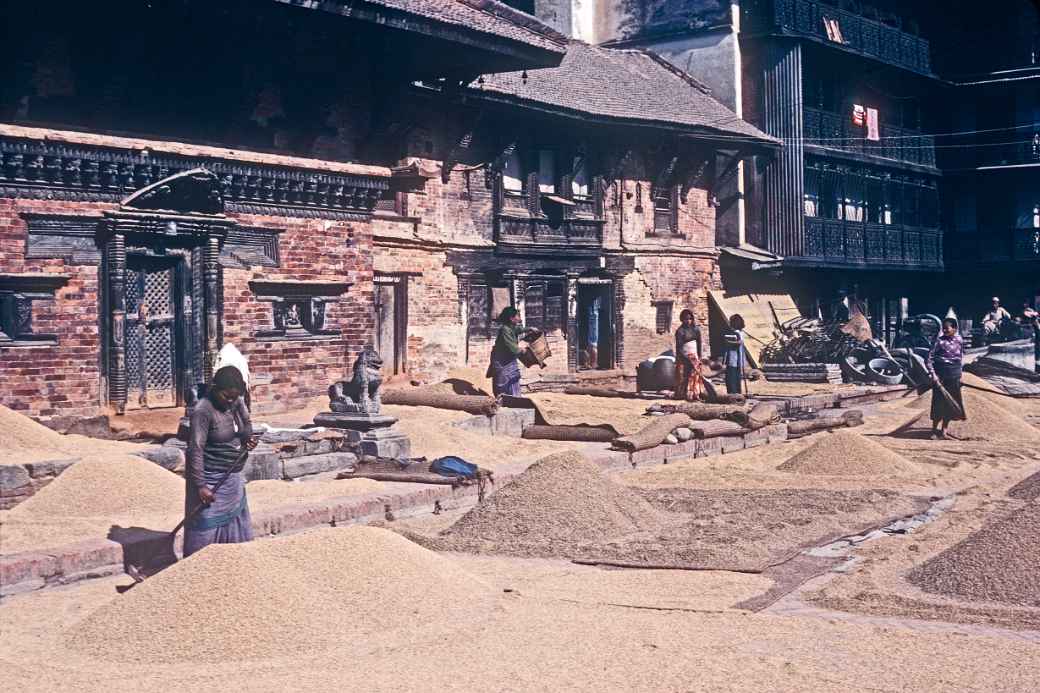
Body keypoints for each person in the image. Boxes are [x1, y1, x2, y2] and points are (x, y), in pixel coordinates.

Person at [184, 366, 259, 557]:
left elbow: (246, 425)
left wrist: (248, 439)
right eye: (226, 396)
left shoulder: (236, 401)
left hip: (232, 478)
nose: (231, 401)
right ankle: (195, 571)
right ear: (215, 388)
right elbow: (195, 449)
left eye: (235, 397)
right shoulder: (203, 410)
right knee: (205, 526)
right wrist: (201, 485)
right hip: (210, 479)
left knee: (236, 525)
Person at [926, 318, 967, 440]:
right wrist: (933, 375)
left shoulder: (959, 340)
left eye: (947, 328)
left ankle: (944, 431)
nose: (944, 330)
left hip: (954, 375)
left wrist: (960, 375)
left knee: (950, 404)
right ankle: (934, 430)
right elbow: (928, 359)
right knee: (938, 402)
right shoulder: (938, 341)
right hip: (940, 375)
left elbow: (960, 357)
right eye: (943, 328)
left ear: (954, 329)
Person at [487, 307, 535, 398]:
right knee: (502, 381)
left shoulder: (511, 327)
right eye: (517, 316)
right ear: (511, 318)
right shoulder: (504, 329)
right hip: (501, 360)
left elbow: (518, 330)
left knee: (514, 378)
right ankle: (501, 399)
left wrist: (529, 329)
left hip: (509, 359)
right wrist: (521, 350)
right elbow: (511, 346)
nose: (519, 318)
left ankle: (516, 398)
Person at [673, 309, 705, 401]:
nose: (688, 321)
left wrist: (699, 357)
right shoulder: (680, 331)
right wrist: (685, 358)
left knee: (695, 376)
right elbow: (679, 347)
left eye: (690, 319)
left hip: (694, 356)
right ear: (682, 319)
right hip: (684, 356)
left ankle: (695, 394)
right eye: (686, 319)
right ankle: (682, 394)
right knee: (684, 376)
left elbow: (699, 344)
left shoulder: (696, 330)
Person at [723, 314, 746, 395]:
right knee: (736, 376)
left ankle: (733, 392)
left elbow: (739, 343)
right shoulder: (740, 332)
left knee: (731, 376)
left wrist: (729, 342)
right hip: (737, 358)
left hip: (734, 357)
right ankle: (737, 391)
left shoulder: (736, 333)